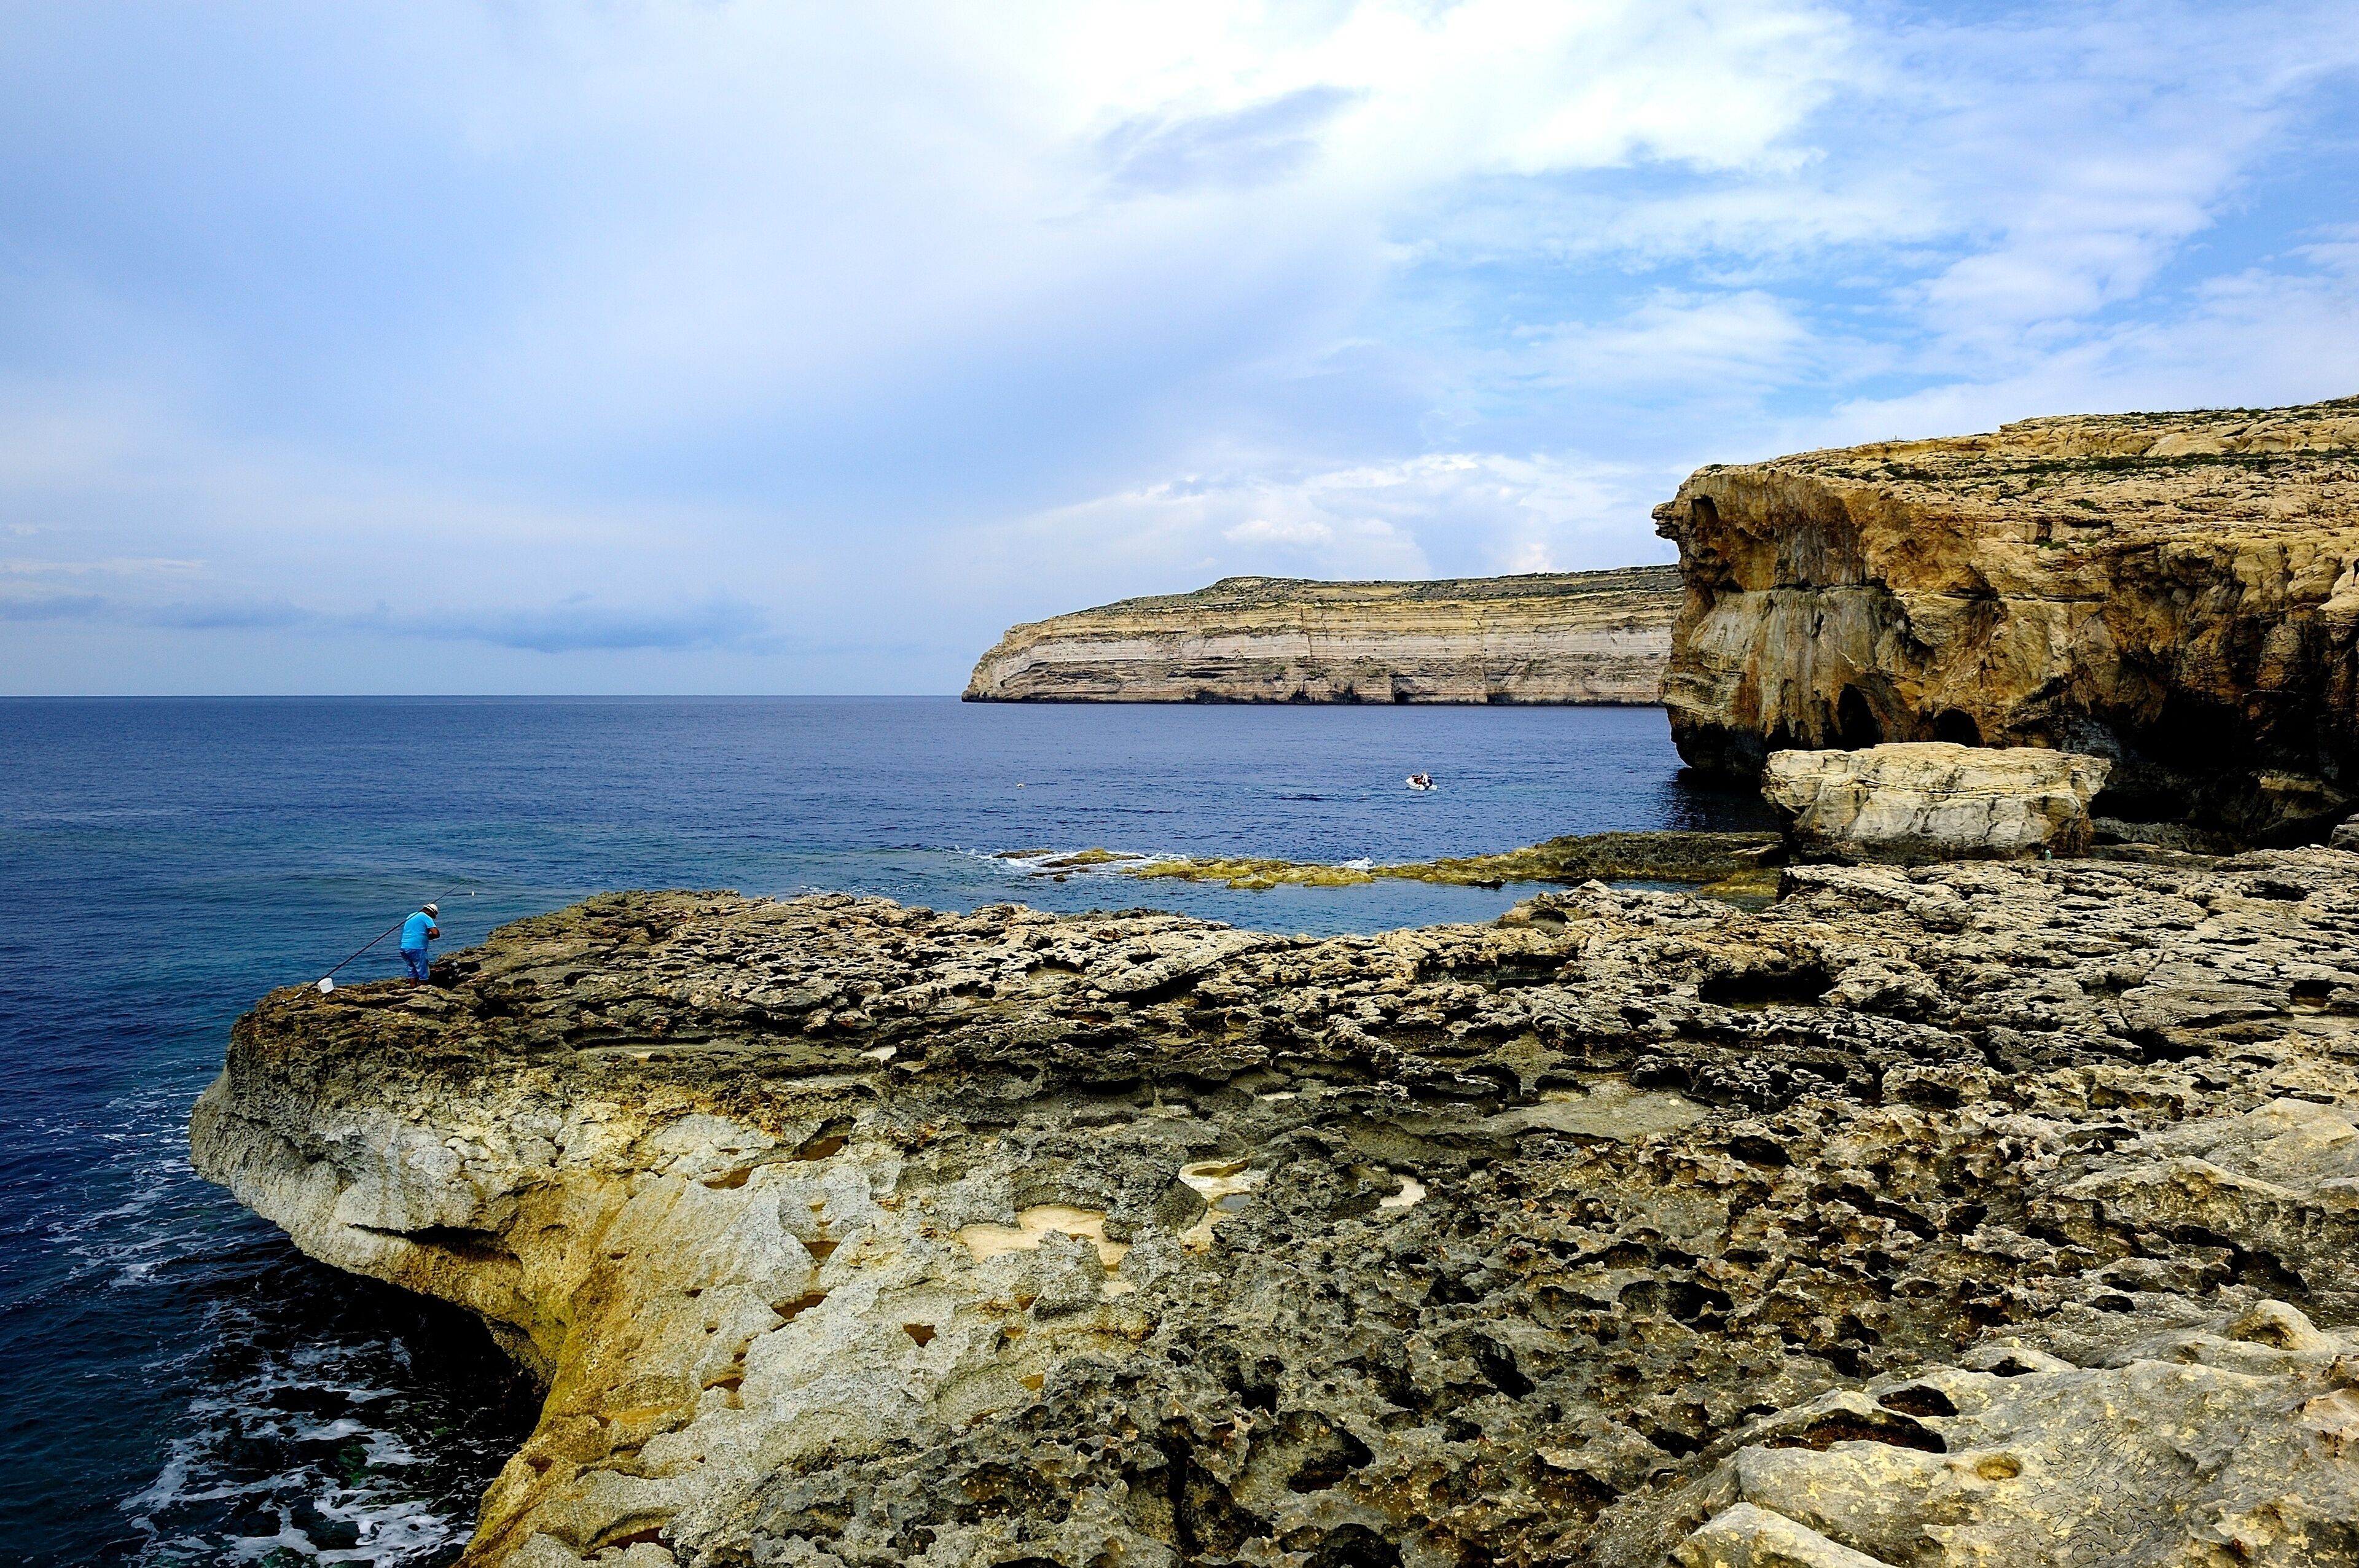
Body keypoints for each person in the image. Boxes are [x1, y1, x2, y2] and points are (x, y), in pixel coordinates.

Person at [398, 902, 440, 985]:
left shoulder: (411, 915)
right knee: (423, 972)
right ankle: (424, 991)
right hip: (417, 948)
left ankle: (413, 990)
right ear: (430, 912)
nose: (432, 918)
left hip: (404, 947)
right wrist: (428, 937)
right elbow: (436, 933)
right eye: (432, 916)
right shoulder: (425, 917)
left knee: (412, 970)